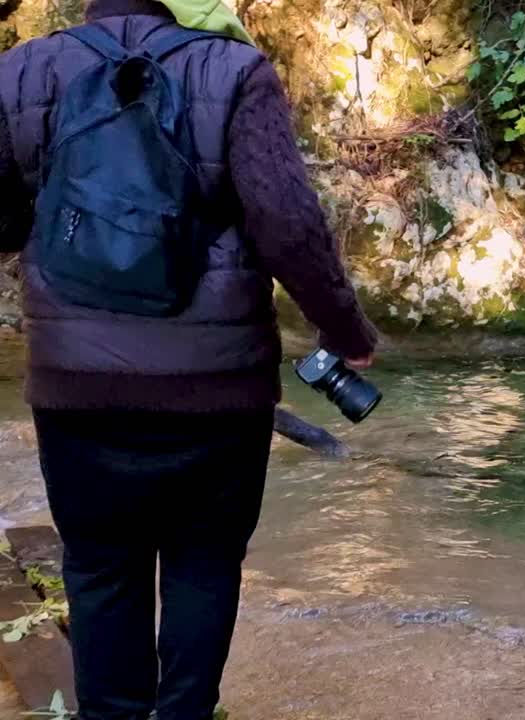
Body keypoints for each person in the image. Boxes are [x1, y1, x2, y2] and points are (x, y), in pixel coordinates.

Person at [0, 1, 378, 718]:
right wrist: (345, 330)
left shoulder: (24, 71)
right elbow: (287, 223)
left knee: (100, 571)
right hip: (217, 390)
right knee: (203, 568)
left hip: (77, 388)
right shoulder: (235, 70)